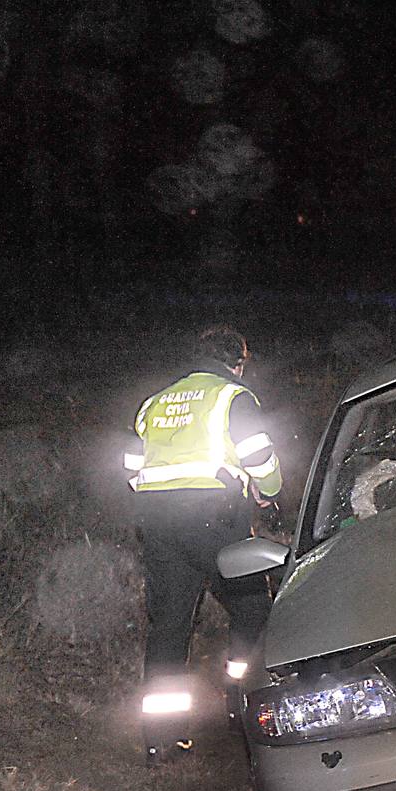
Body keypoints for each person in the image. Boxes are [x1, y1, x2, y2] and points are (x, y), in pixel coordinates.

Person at [124, 324, 282, 763]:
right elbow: (260, 458)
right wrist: (267, 492)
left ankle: (161, 739)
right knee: (253, 611)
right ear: (238, 363)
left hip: (157, 525)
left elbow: (132, 467)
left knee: (169, 629)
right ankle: (243, 705)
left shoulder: (155, 402)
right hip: (214, 522)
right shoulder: (232, 396)